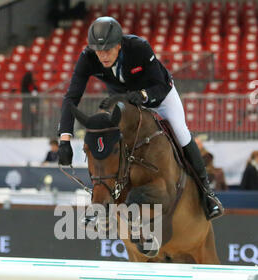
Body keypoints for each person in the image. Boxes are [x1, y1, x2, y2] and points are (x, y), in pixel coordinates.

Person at [57, 16, 223, 219]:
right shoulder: (88, 57)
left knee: (181, 132)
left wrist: (144, 95)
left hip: (159, 97)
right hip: (125, 103)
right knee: (109, 136)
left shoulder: (139, 47)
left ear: (119, 45)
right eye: (99, 51)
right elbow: (71, 98)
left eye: (108, 49)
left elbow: (160, 86)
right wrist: (64, 139)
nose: (103, 56)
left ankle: (207, 194)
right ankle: (101, 201)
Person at [21, 71, 39, 137]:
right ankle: (25, 134)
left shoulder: (32, 85)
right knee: (26, 120)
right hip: (27, 105)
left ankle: (32, 134)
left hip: (32, 105)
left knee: (32, 120)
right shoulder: (25, 86)